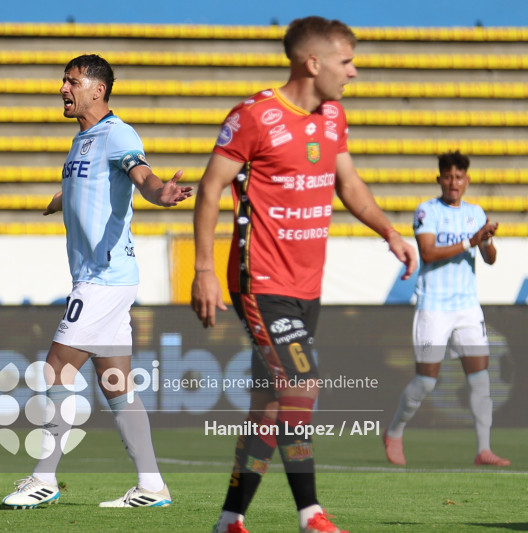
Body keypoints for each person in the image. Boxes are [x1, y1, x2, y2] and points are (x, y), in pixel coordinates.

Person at [190, 16, 418, 533]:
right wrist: (204, 270)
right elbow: (209, 189)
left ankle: (230, 519)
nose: (354, 72)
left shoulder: (333, 116)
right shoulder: (254, 115)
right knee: (302, 381)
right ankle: (310, 513)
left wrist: (390, 232)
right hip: (260, 283)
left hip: (306, 287)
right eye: (346, 61)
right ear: (312, 63)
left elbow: (349, 181)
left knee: (269, 406)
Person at [1, 54, 192, 509]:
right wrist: (54, 203)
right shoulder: (82, 139)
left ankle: (43, 478)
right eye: (63, 81)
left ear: (97, 90)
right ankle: (152, 486)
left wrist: (159, 191)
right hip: (104, 278)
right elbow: (82, 188)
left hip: (103, 279)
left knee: (54, 373)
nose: (62, 89)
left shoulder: (117, 133)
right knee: (116, 385)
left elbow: (139, 174)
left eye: (71, 82)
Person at [383, 151, 509, 467]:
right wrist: (471, 241)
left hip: (467, 306)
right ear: (439, 179)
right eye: (448, 176)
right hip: (434, 306)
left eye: (459, 177)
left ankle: (483, 450)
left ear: (467, 180)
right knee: (426, 380)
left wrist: (486, 241)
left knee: (480, 377)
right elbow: (427, 253)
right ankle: (394, 431)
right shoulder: (427, 211)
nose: (454, 182)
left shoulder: (475, 213)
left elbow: (490, 258)